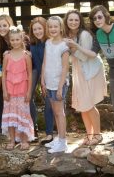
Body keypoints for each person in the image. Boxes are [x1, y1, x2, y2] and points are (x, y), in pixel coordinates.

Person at [79, 5, 114, 151]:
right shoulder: (98, 33)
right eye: (94, 18)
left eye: (100, 17)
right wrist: (76, 47)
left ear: (106, 16)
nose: (97, 20)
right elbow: (93, 53)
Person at [63, 9, 107, 146]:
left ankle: (98, 135)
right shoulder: (68, 35)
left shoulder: (85, 35)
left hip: (91, 71)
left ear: (80, 21)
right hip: (79, 71)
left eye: (76, 20)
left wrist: (71, 48)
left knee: (88, 103)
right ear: (66, 21)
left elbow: (85, 56)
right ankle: (89, 135)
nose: (73, 22)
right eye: (70, 19)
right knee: (82, 104)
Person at [2, 25, 34, 150]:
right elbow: (4, 73)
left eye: (17, 39)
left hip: (22, 90)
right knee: (10, 115)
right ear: (9, 41)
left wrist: (29, 92)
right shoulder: (7, 56)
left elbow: (30, 74)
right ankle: (12, 140)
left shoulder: (26, 55)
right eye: (12, 40)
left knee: (23, 114)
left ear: (22, 39)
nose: (15, 42)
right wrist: (4, 90)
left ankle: (24, 140)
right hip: (9, 91)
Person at [41, 16, 69, 153]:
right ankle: (59, 138)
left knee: (59, 112)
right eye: (50, 27)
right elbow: (45, 62)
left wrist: (60, 87)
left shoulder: (64, 45)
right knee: (55, 112)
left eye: (55, 26)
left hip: (59, 83)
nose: (53, 29)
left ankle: (63, 142)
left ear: (61, 28)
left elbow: (65, 68)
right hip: (49, 82)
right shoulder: (48, 43)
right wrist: (42, 79)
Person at [28, 17, 54, 143]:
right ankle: (33, 130)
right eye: (35, 29)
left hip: (49, 72)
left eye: (40, 28)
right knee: (27, 97)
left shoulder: (50, 42)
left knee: (49, 102)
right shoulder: (32, 43)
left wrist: (43, 81)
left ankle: (50, 133)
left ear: (45, 28)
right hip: (35, 70)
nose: (37, 31)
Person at [0, 14, 14, 136]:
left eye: (5, 25)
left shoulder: (15, 37)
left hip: (17, 73)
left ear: (10, 25)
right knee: (0, 98)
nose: (2, 29)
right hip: (4, 72)